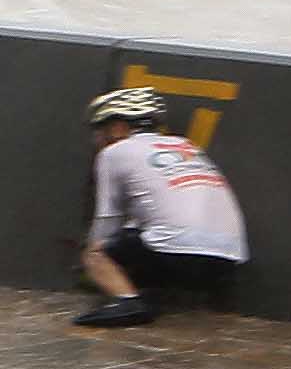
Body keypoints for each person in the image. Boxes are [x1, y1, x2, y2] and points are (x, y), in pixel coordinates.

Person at [74, 87, 249, 327]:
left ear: (118, 127)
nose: (97, 138)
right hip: (227, 260)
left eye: (100, 129)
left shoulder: (113, 153)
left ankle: (127, 302)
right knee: (142, 234)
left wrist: (92, 262)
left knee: (96, 253)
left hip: (174, 254)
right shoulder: (186, 145)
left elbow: (108, 217)